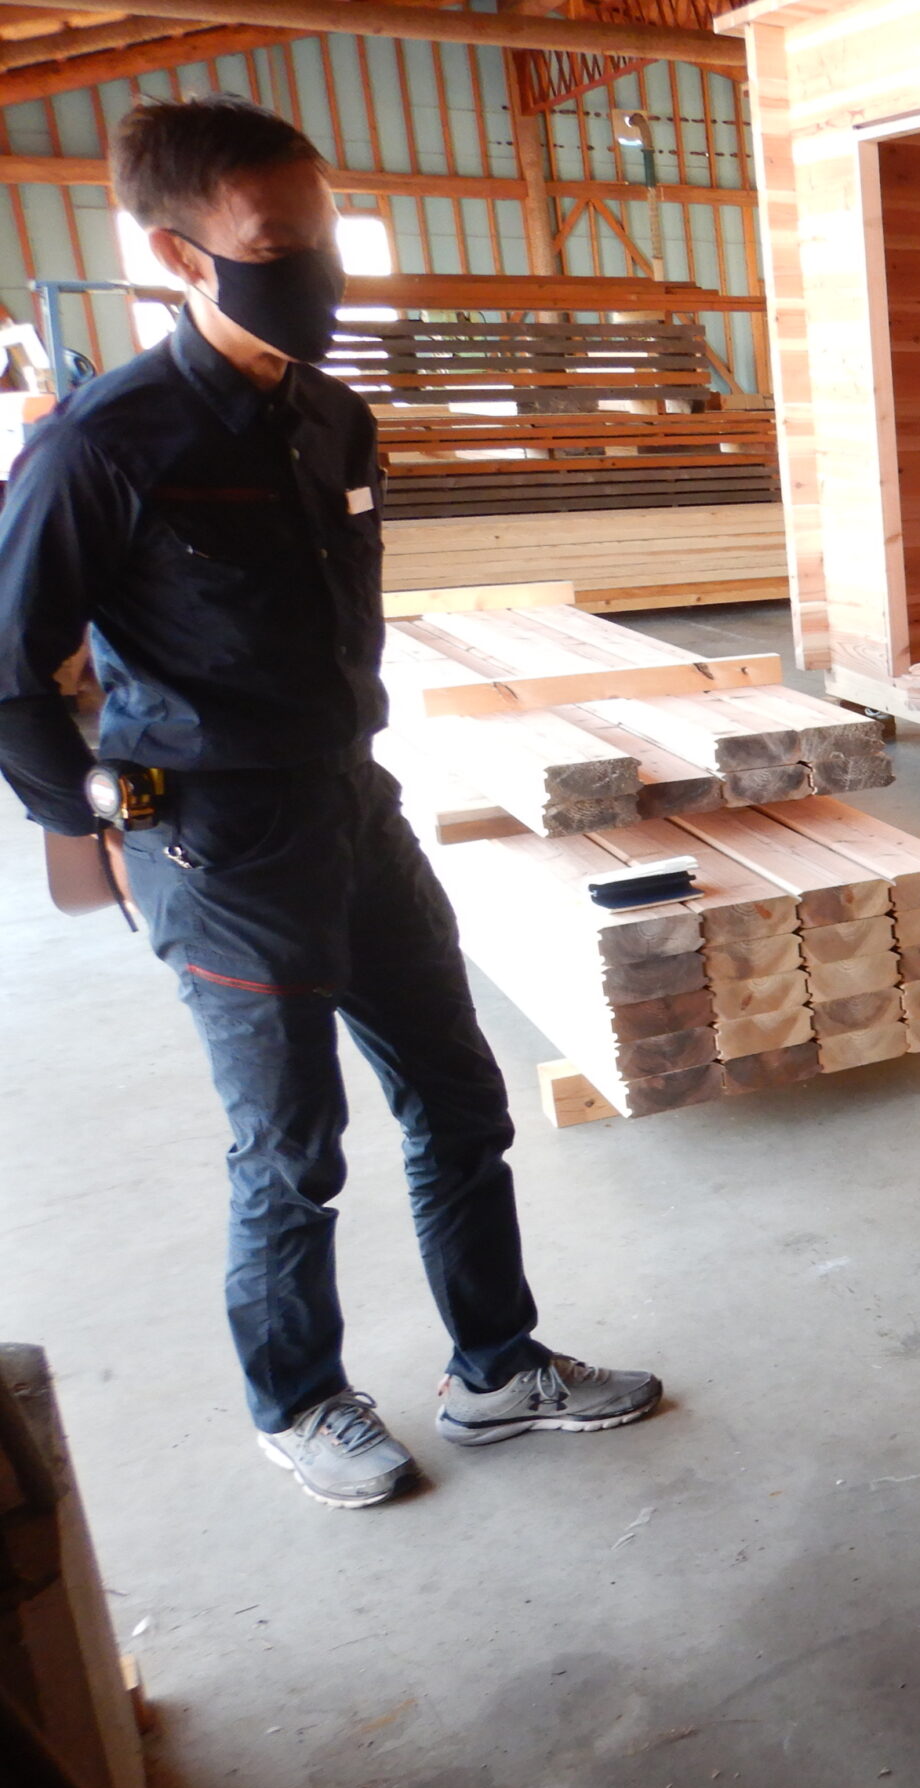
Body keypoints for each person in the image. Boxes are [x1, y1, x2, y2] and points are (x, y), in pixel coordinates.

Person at [0, 97, 660, 1509]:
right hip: (218, 840)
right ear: (179, 255)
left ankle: (496, 1366)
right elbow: (7, 672)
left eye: (324, 233)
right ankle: (298, 1399)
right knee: (292, 1150)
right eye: (277, 243)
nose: (318, 270)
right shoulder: (102, 448)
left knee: (460, 1098)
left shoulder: (333, 419)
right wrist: (95, 824)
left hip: (355, 807)